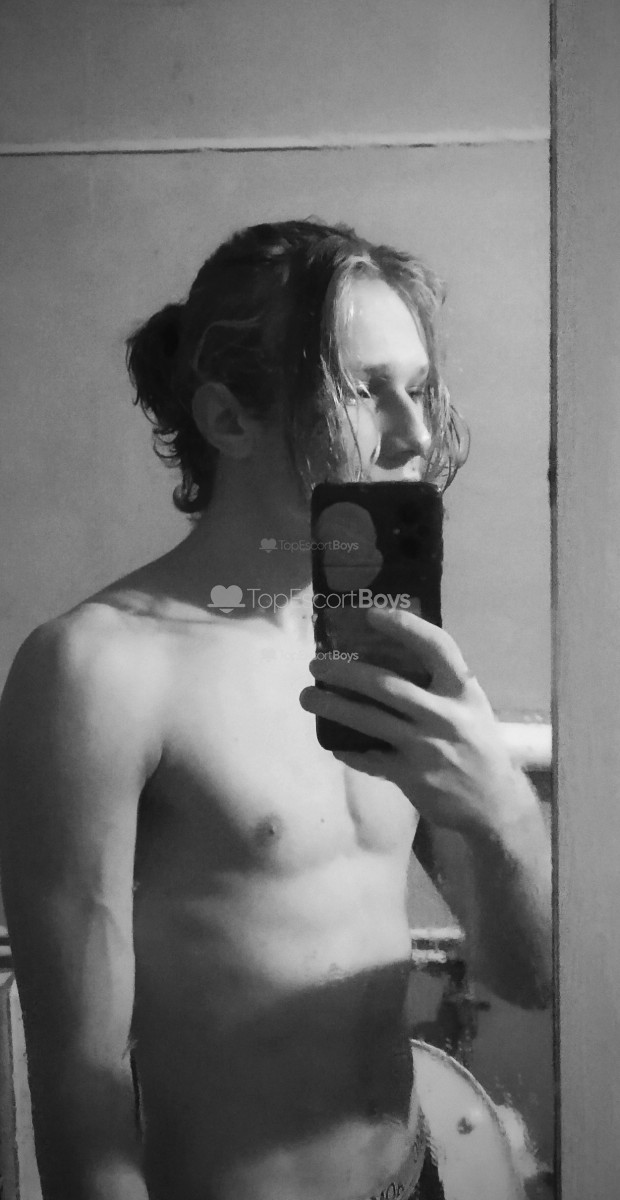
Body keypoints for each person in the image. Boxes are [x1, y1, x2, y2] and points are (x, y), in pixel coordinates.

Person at [0, 219, 551, 1200]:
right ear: (228, 418)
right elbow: (82, 1095)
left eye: (418, 389)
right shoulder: (98, 670)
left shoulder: (383, 637)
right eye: (365, 390)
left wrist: (503, 812)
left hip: (414, 1174)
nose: (416, 436)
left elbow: (532, 978)